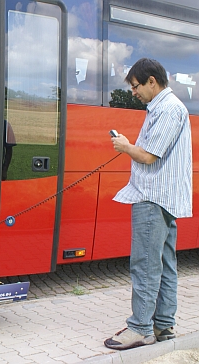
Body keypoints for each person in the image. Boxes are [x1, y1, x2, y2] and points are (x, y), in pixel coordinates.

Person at [104, 58, 192, 350]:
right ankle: (163, 326)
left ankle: (139, 328)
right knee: (165, 264)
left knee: (145, 265)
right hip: (162, 198)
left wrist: (125, 147)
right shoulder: (167, 108)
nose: (133, 92)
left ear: (152, 81)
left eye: (136, 86)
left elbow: (149, 156)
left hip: (152, 198)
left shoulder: (168, 109)